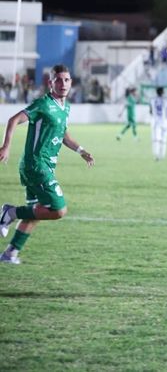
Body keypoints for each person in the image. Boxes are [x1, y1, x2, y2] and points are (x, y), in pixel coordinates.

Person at [0, 64, 95, 265]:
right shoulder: (43, 104)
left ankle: (10, 254)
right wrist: (6, 146)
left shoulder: (65, 107)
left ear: (71, 82)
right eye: (58, 80)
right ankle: (10, 212)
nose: (63, 84)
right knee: (58, 210)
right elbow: (13, 120)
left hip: (43, 166)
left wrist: (81, 151)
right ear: (51, 83)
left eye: (66, 80)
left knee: (36, 212)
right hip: (36, 165)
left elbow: (63, 134)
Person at [149, 86, 167, 161]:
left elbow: (150, 111)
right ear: (163, 92)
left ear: (156, 92)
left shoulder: (152, 100)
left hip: (156, 121)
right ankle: (162, 155)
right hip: (165, 121)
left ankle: (156, 155)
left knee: (156, 139)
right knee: (164, 139)